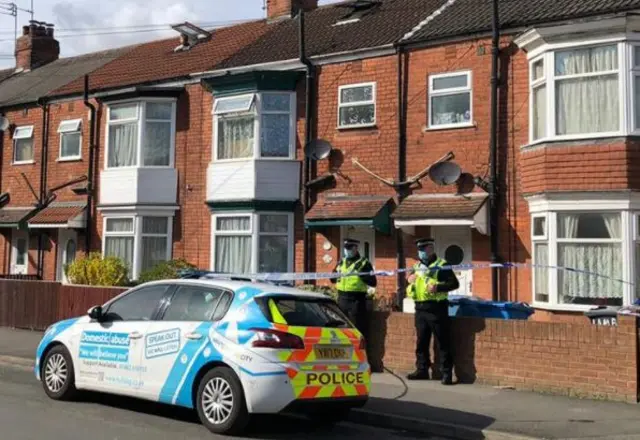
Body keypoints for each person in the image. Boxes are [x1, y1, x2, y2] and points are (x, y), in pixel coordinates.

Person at [406, 238, 459, 385]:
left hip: (437, 308)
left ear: (431, 249)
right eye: (419, 250)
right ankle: (422, 370)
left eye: (424, 249)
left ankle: (447, 373)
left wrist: (438, 287)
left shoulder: (442, 265)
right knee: (421, 342)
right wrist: (409, 278)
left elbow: (454, 283)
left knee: (443, 342)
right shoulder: (416, 266)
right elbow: (409, 280)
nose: (421, 252)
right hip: (420, 308)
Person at [331, 239, 377, 336]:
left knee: (357, 328)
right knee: (341, 327)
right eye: (345, 248)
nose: (346, 251)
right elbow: (332, 279)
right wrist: (334, 275)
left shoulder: (364, 263)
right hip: (342, 298)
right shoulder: (341, 262)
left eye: (349, 248)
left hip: (356, 300)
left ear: (355, 248)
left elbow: (373, 282)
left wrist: (361, 275)